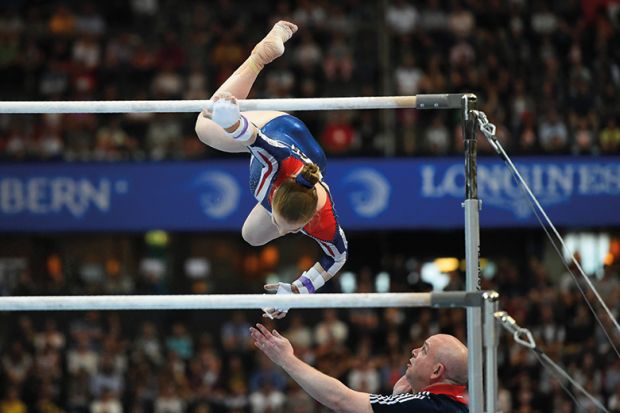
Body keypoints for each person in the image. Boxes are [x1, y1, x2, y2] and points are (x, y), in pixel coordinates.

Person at [195, 21, 347, 319]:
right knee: (204, 123)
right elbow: (251, 135)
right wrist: (228, 119)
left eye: (283, 228)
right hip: (279, 130)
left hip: (302, 172)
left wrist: (298, 290)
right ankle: (261, 55)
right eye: (281, 224)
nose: (279, 230)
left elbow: (338, 257)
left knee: (251, 235)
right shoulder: (277, 160)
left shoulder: (324, 224)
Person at [250, 323, 469, 412]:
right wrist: (395, 402)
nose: (414, 351)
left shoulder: (426, 406)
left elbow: (340, 400)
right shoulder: (456, 406)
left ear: (436, 371)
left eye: (424, 350)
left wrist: (286, 359)